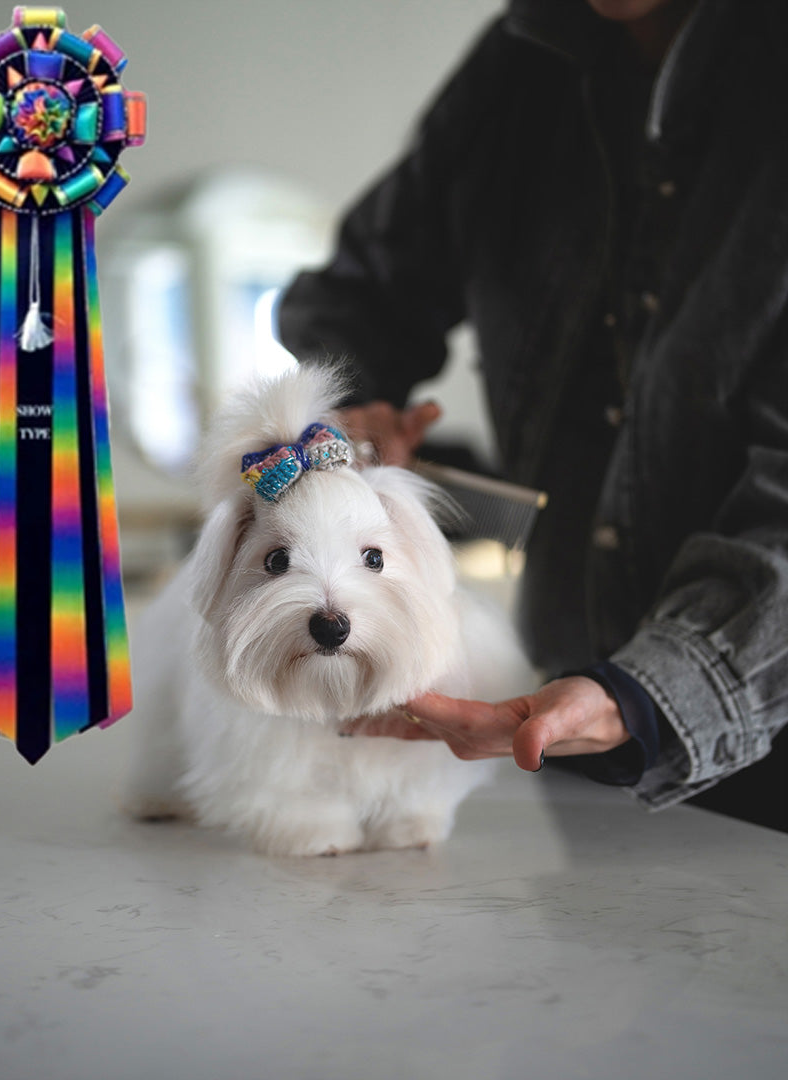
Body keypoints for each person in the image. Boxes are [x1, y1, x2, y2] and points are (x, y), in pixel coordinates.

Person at [276, 0, 788, 832]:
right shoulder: (516, 68)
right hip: (562, 719)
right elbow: (358, 293)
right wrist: (355, 399)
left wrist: (655, 694)